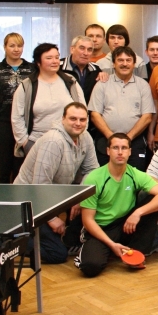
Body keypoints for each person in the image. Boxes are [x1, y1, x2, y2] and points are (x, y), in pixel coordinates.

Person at [74, 133, 158, 277]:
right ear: (108, 151)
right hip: (101, 228)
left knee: (154, 199)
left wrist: (137, 213)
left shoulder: (134, 174)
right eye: (115, 148)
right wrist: (111, 244)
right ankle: (101, 249)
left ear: (130, 152)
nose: (120, 152)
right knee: (90, 267)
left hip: (125, 224)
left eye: (124, 148)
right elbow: (87, 220)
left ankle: (137, 249)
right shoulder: (94, 178)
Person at [14, 102, 99, 263]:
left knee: (93, 198)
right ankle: (9, 242)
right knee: (58, 254)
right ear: (63, 119)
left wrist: (80, 198)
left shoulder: (85, 137)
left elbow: (92, 171)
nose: (78, 123)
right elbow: (39, 186)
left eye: (82, 119)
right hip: (29, 204)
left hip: (55, 196)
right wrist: (52, 219)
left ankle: (69, 240)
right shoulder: (53, 142)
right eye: (73, 118)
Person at [12, 43, 86, 157]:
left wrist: (79, 136)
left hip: (69, 141)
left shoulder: (70, 81)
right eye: (49, 58)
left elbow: (83, 110)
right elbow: (17, 117)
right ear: (38, 62)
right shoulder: (27, 85)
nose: (55, 61)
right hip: (37, 143)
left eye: (57, 57)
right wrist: (25, 143)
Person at [88, 46, 155, 170]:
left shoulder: (143, 85)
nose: (124, 64)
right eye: (120, 60)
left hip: (134, 141)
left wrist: (128, 138)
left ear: (134, 64)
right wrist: (112, 138)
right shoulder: (102, 84)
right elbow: (95, 115)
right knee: (106, 177)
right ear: (113, 64)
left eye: (128, 60)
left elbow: (147, 117)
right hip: (106, 141)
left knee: (135, 178)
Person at [0, 32, 35, 183]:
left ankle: (21, 197)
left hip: (25, 123)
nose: (16, 49)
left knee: (22, 169)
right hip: (1, 122)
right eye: (12, 46)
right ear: (5, 47)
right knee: (2, 169)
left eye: (19, 46)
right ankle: (0, 198)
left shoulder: (32, 69)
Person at [59, 35, 101, 102]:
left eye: (89, 50)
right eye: (82, 48)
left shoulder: (96, 69)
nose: (86, 53)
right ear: (72, 49)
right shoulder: (58, 67)